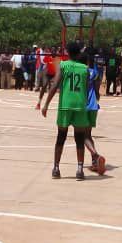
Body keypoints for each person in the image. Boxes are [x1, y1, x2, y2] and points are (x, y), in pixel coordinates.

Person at [41, 40, 91, 180]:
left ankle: (56, 168)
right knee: (80, 139)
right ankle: (80, 169)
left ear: (68, 52)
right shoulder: (85, 68)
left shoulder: (63, 65)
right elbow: (87, 89)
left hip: (65, 104)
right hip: (80, 104)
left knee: (61, 137)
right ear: (79, 53)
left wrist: (46, 104)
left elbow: (55, 84)